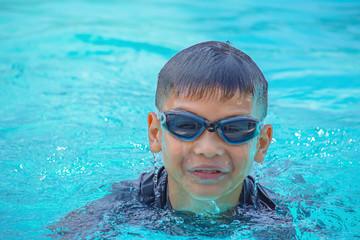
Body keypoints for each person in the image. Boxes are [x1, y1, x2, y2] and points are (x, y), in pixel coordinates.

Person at [50, 41, 276, 238]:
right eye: (185, 125)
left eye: (236, 128)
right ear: (155, 133)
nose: (208, 149)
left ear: (262, 143)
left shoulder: (280, 219)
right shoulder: (115, 212)